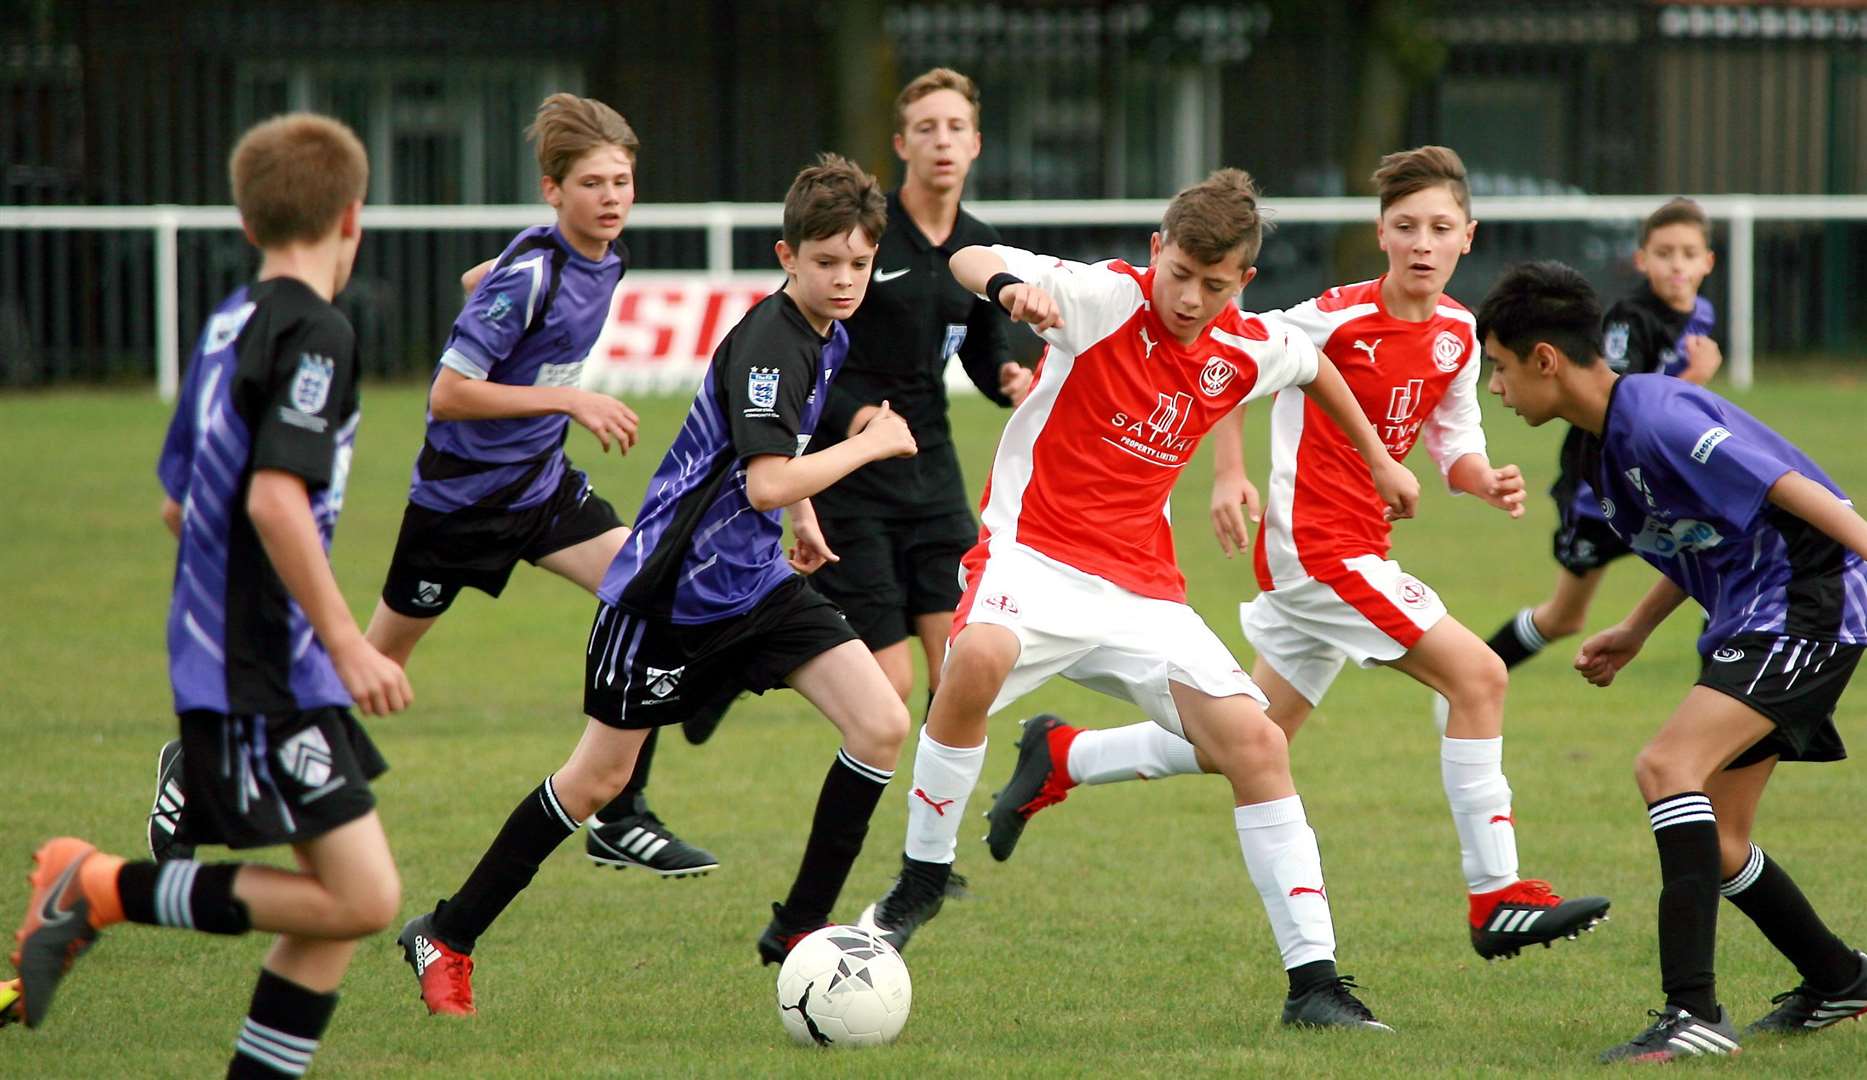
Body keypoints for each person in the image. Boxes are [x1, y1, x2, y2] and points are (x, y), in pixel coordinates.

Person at [982, 147, 1611, 963]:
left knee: (1255, 734)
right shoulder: (1332, 317)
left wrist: (1479, 478)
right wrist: (1231, 474)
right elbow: (1231, 358)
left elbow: (1452, 442)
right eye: (1404, 226)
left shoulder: (1458, 335)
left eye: (1440, 229)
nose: (1422, 242)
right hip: (1318, 551)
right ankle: (1496, 896)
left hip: (1352, 553)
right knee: (1479, 675)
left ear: (1467, 237)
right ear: (1379, 234)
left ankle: (1066, 754)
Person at [858, 167, 1422, 1031]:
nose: (1192, 299)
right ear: (1155, 252)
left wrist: (1381, 459)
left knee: (1257, 743)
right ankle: (921, 880)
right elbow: (968, 255)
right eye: (1180, 276)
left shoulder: (1244, 344)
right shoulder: (1098, 298)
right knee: (971, 661)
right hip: (1034, 557)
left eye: (1215, 284)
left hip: (1140, 589)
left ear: (1244, 283)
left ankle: (1314, 985)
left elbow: (1312, 364)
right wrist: (1012, 289)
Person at [147, 93, 723, 880]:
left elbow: (479, 279)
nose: (612, 197)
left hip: (542, 493)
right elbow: (448, 394)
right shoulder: (532, 273)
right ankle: (195, 766)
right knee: (361, 673)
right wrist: (569, 396)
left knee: (652, 588)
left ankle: (619, 813)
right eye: (593, 183)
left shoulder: (598, 258)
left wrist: (495, 303)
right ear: (553, 190)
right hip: (457, 510)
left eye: (622, 181)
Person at [396, 154, 916, 1016]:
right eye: (825, 262)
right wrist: (865, 448)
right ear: (787, 257)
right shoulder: (768, 345)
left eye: (858, 263)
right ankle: (446, 933)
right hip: (665, 600)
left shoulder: (828, 334)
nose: (844, 279)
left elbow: (773, 473)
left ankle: (799, 930)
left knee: (881, 721)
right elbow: (762, 480)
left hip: (751, 587)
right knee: (595, 783)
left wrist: (804, 520)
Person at [12, 114, 413, 1079]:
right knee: (363, 900)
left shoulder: (230, 321)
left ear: (247, 220)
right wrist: (349, 643)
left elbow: (177, 502)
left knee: (332, 917)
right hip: (265, 661)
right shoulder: (317, 332)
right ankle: (98, 885)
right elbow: (274, 498)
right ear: (352, 216)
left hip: (243, 653)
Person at [1480, 259, 1867, 1062]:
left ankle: (1691, 1013)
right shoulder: (1600, 449)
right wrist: (1632, 629)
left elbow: (1788, 485)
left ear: (1544, 359)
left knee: (1665, 768)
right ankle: (1839, 980)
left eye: (1499, 367)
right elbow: (1688, 541)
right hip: (1755, 611)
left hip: (1804, 602)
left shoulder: (1655, 415)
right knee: (1720, 840)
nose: (1494, 387)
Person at [724, 67, 1027, 732]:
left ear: (975, 144)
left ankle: (932, 816)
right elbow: (811, 353)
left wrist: (1005, 374)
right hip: (849, 474)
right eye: (926, 129)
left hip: (930, 470)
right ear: (900, 144)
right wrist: (858, 415)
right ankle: (742, 656)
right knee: (891, 685)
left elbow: (978, 345)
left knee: (961, 668)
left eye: (955, 128)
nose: (941, 142)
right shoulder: (863, 237)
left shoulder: (980, 244)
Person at [1479, 198, 1721, 675]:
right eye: (1665, 252)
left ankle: (1724, 702)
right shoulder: (1630, 320)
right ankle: (1476, 672)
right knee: (1566, 616)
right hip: (1602, 488)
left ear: (1708, 262)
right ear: (1641, 259)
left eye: (1689, 253)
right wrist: (1695, 378)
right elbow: (1623, 405)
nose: (1677, 264)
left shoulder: (1703, 313)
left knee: (1719, 573)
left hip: (1660, 480)